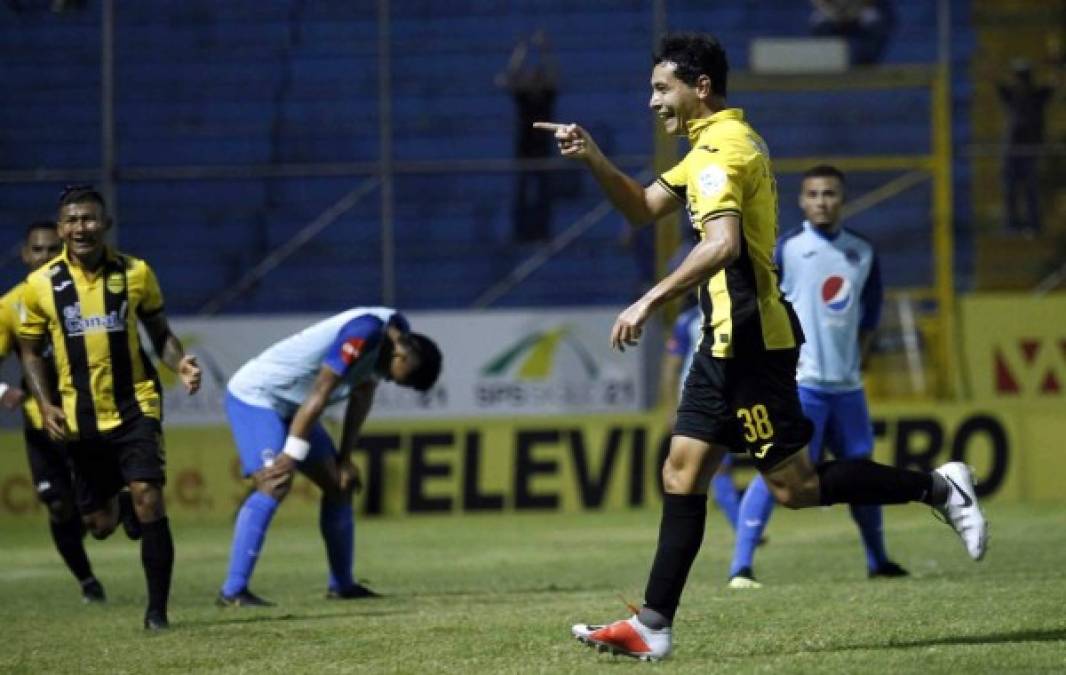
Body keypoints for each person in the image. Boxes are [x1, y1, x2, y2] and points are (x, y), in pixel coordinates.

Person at [535, 33, 987, 662]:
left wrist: (647, 300)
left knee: (793, 488)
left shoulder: (726, 150)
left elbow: (721, 245)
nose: (651, 102)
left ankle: (939, 488)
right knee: (682, 471)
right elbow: (641, 208)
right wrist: (594, 158)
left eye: (661, 89)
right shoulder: (702, 152)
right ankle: (653, 626)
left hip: (750, 344)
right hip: (720, 344)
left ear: (701, 88)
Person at [17, 185, 202, 630]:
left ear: (106, 224)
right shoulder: (41, 285)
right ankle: (119, 501)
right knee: (98, 524)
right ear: (62, 229)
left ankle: (157, 612)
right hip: (81, 417)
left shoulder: (136, 272)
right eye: (73, 220)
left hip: (136, 403)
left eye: (90, 218)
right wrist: (45, 404)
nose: (82, 227)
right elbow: (28, 350)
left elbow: (160, 333)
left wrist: (181, 363)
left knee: (149, 497)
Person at [727, 165, 906, 590]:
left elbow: (869, 318)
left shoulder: (862, 252)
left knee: (860, 472)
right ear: (802, 201)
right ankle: (741, 566)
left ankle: (878, 561)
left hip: (847, 389)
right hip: (799, 385)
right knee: (778, 469)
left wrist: (855, 363)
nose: (822, 201)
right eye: (814, 194)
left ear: (842, 199)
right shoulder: (787, 249)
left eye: (830, 194)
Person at [216, 308, 442, 607]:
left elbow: (361, 396)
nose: (393, 382)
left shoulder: (395, 332)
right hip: (258, 397)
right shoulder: (364, 332)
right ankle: (233, 591)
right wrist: (291, 454)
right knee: (275, 482)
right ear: (402, 357)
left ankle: (342, 585)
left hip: (294, 407)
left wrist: (345, 459)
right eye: (403, 379)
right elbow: (321, 392)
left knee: (340, 483)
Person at [0, 220, 108, 603]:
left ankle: (109, 509)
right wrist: (3, 390)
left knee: (100, 523)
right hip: (41, 425)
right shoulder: (10, 305)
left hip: (92, 417)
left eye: (51, 249)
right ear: (25, 255)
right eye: (38, 250)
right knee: (60, 506)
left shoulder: (83, 293)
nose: (45, 256)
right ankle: (88, 583)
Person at [661, 300, 741, 533]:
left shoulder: (734, 313)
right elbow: (671, 368)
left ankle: (742, 526)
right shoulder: (687, 321)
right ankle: (742, 528)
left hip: (729, 399)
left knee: (714, 469)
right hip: (699, 404)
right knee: (714, 469)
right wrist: (671, 409)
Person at [497, 29, 559, 243]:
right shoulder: (524, 98)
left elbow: (552, 76)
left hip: (542, 150)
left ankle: (542, 232)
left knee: (543, 195)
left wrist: (545, 51)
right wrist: (521, 51)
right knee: (522, 194)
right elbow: (511, 77)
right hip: (524, 149)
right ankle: (520, 232)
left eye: (536, 75)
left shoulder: (546, 97)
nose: (533, 78)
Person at [997, 59, 1054, 236]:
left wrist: (1055, 63)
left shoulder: (1038, 95)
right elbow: (991, 78)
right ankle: (1011, 224)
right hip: (1012, 151)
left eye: (1024, 77)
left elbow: (1055, 82)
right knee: (1010, 191)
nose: (1021, 81)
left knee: (1031, 190)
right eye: (1018, 77)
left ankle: (1033, 224)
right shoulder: (1010, 95)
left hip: (1030, 151)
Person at [809, 0, 895, 66]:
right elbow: (820, 2)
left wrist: (851, 13)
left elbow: (869, 2)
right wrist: (836, 15)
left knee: (875, 21)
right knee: (817, 23)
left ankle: (866, 61)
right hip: (831, 12)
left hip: (860, 9)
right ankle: (827, 61)